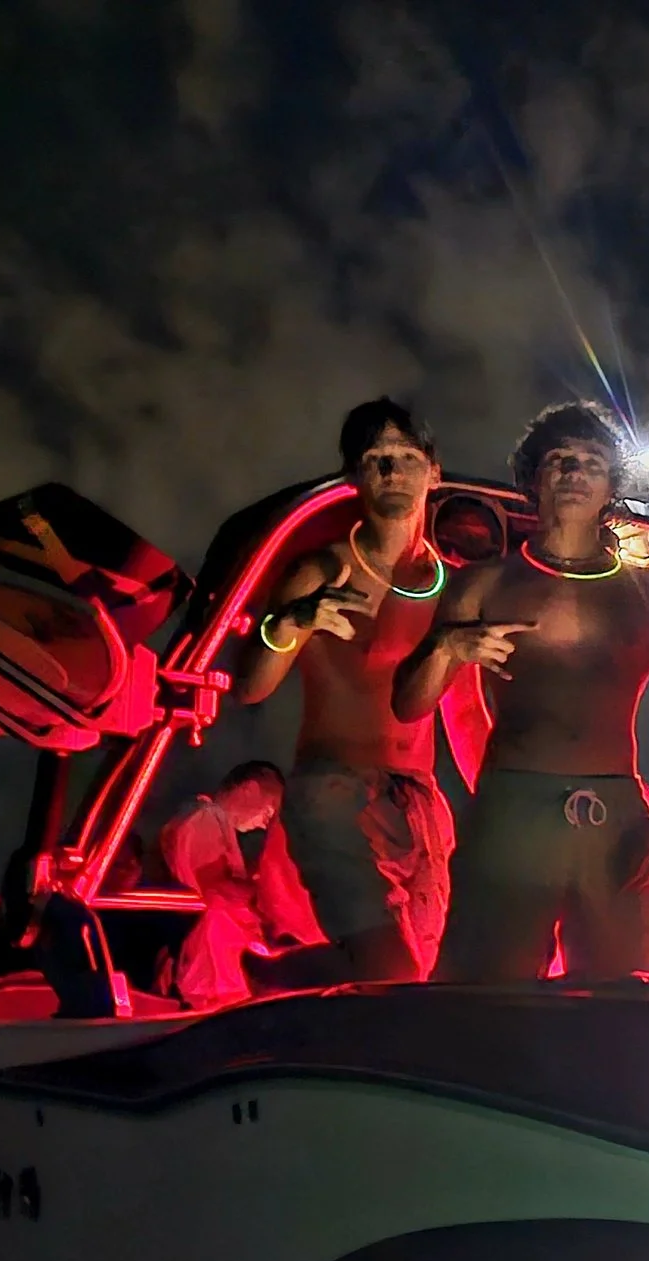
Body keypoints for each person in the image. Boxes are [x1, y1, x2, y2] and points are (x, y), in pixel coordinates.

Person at [398, 400, 649, 982]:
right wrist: (447, 647)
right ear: (532, 482)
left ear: (610, 486)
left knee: (628, 1003)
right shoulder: (483, 583)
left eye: (591, 463)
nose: (573, 473)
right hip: (511, 812)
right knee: (483, 997)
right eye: (559, 462)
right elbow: (409, 703)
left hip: (618, 819)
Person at [234, 398, 457, 981]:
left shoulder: (448, 584)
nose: (391, 473)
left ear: (434, 470)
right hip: (336, 794)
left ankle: (275, 979)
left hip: (423, 807)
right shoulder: (321, 570)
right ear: (354, 474)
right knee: (393, 976)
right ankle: (275, 985)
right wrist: (290, 623)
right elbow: (251, 688)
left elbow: (466, 714)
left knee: (424, 977)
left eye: (405, 457)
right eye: (375, 459)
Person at [154, 762, 323, 1007]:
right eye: (268, 811)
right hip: (213, 971)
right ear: (250, 789)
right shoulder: (205, 817)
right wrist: (272, 891)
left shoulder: (209, 821)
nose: (265, 824)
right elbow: (215, 888)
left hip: (218, 969)